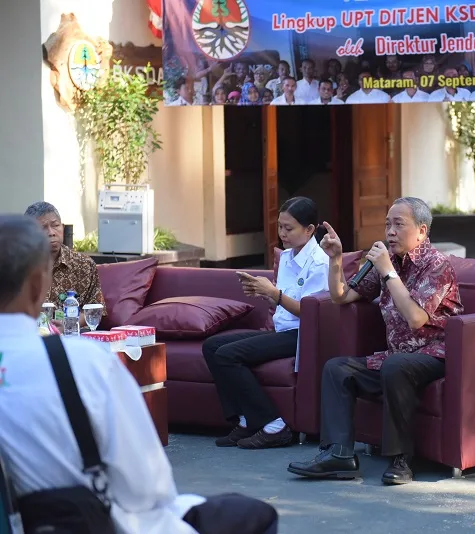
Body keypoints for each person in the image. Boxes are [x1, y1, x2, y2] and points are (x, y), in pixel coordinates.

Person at [0, 215, 277, 534]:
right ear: (38, 285)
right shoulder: (83, 363)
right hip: (91, 522)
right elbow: (146, 488)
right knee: (251, 515)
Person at [288, 197, 463, 485]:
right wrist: (335, 260)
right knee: (337, 368)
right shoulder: (387, 262)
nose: (390, 232)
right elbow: (341, 296)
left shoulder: (437, 264)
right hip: (396, 356)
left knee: (396, 366)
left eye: (398, 224)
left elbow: (416, 318)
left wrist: (388, 272)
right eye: (387, 224)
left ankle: (401, 459)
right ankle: (339, 454)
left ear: (421, 231)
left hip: (435, 355)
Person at [203, 197, 330, 450]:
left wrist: (274, 294)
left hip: (300, 335)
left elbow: (312, 312)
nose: (282, 233)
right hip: (281, 328)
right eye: (280, 226)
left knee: (228, 355)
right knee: (212, 346)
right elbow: (283, 300)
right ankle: (245, 419)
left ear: (309, 230)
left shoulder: (320, 262)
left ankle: (274, 425)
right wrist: (265, 293)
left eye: (289, 228)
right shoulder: (285, 257)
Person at [24, 201, 105, 329]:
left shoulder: (83, 264)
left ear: (62, 227)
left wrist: (69, 325)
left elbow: (94, 309)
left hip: (72, 336)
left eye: (55, 225)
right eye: (43, 228)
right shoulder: (17, 265)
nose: (51, 232)